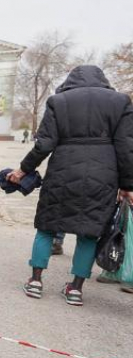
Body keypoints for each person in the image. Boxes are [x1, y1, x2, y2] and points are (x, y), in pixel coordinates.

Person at [8, 65, 133, 306]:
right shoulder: (120, 102)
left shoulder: (59, 101)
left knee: (46, 227)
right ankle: (75, 288)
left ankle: (35, 281)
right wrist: (127, 184)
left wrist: (23, 169)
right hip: (103, 176)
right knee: (88, 232)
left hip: (62, 173)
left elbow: (44, 144)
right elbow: (126, 147)